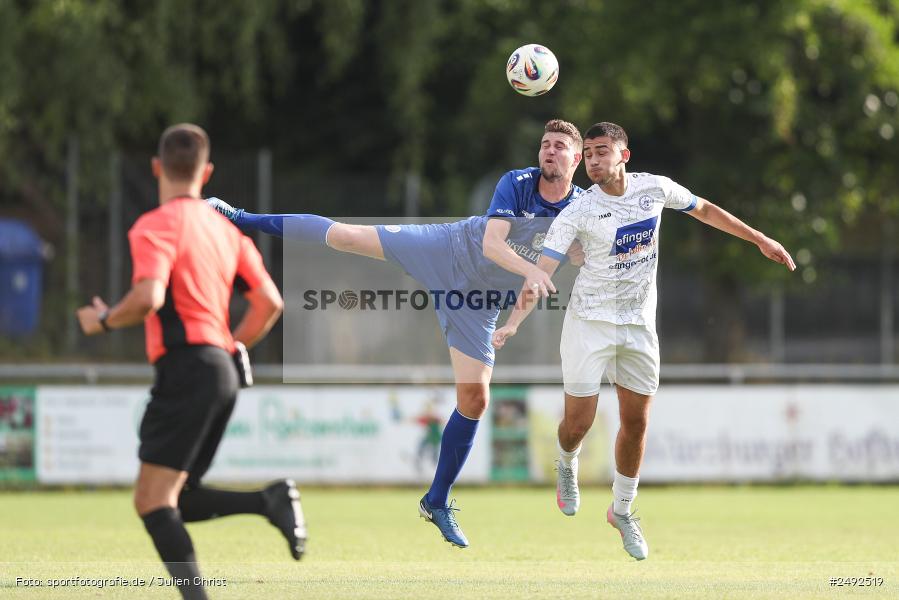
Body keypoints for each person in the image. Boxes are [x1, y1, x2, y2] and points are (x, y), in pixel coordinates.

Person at [207, 119, 585, 548]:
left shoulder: (581, 211)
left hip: (478, 306)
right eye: (545, 144)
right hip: (449, 250)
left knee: (476, 399)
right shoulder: (517, 182)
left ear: (576, 159)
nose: (549, 151)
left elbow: (546, 275)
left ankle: (436, 501)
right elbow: (493, 245)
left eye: (559, 146)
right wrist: (535, 269)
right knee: (348, 236)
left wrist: (515, 320)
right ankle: (238, 217)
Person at [492, 121, 795, 561]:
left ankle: (622, 510)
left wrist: (758, 239)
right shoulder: (576, 212)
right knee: (578, 421)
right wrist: (514, 322)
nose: (593, 160)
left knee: (636, 423)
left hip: (637, 327)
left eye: (601, 151)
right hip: (588, 324)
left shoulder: (655, 189)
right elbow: (543, 270)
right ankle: (566, 461)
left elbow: (705, 208)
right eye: (589, 153)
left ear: (624, 156)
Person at [77, 124, 305, 600]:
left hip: (187, 369)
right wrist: (231, 347)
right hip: (221, 371)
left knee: (152, 500)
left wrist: (103, 319)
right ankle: (270, 500)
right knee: (179, 496)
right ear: (207, 173)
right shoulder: (226, 232)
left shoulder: (154, 225)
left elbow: (148, 297)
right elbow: (269, 303)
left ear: (158, 168)